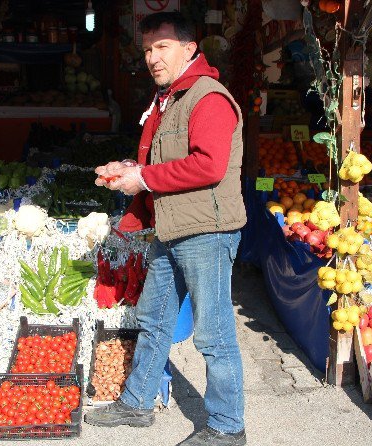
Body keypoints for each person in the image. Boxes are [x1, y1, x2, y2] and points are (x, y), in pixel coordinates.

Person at [85, 11, 247, 446]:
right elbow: (167, 160)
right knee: (153, 320)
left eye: (162, 47)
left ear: (189, 49)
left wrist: (146, 179)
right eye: (147, 50)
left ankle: (228, 427)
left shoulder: (207, 97)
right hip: (170, 227)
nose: (152, 58)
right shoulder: (170, 97)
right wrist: (131, 169)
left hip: (207, 232)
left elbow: (210, 165)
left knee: (213, 335)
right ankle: (138, 403)